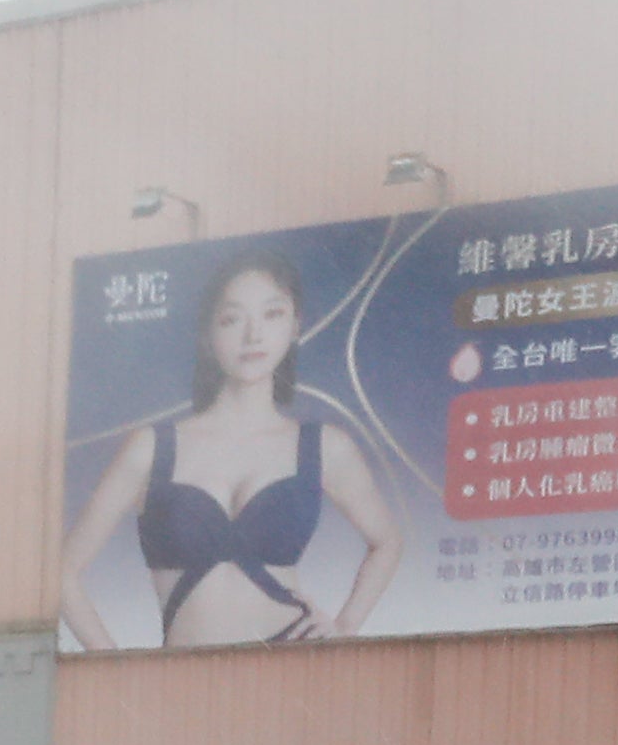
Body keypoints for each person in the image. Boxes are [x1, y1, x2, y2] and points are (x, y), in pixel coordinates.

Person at [56, 253, 410, 648]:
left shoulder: (325, 446)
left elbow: (388, 541)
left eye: (272, 314)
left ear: (294, 327)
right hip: (183, 679)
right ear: (207, 336)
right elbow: (61, 573)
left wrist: (345, 627)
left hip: (295, 663)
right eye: (232, 319)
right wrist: (116, 666)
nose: (253, 335)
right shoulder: (151, 449)